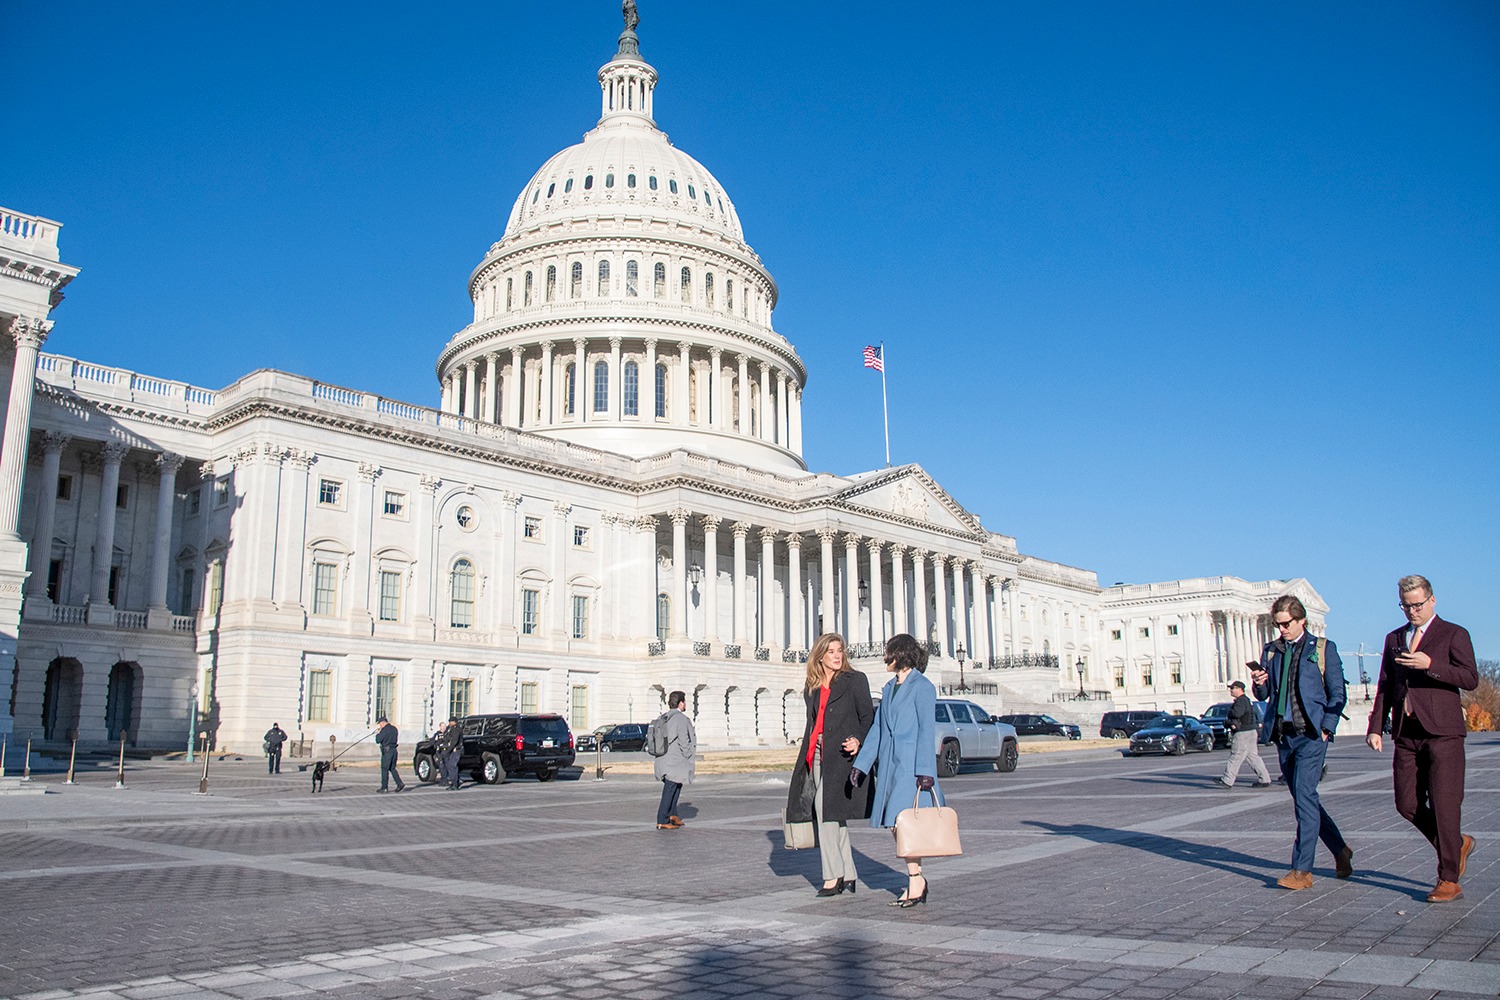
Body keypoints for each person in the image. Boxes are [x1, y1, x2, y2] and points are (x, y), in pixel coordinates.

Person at [1365, 575, 1479, 903]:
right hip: (1406, 732)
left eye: (1417, 604)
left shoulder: (1454, 634)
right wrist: (1375, 727)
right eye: (1406, 605)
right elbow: (1385, 684)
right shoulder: (1395, 638)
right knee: (1407, 804)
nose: (1412, 611)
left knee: (1445, 806)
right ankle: (1456, 844)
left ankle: (1448, 878)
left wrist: (1432, 665)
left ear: (1432, 600)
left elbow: (1470, 678)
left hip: (1444, 733)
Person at [1250, 595, 1353, 890]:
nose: (1281, 629)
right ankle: (1340, 849)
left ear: (1301, 620)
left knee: (1305, 798)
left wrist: (1326, 728)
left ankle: (1302, 870)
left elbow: (1337, 693)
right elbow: (1264, 694)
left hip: (1311, 735)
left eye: (1286, 624)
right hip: (1284, 736)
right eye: (1277, 624)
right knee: (1305, 800)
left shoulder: (1322, 649)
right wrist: (1260, 682)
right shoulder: (1271, 650)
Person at [851, 633, 941, 908]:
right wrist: (861, 765)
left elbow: (927, 730)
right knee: (895, 825)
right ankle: (916, 878)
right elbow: (878, 730)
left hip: (912, 767)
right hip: (890, 766)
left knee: (901, 823)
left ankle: (916, 879)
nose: (884, 659)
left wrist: (926, 770)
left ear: (900, 655)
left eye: (888, 653)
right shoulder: (889, 688)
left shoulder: (922, 687)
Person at [784, 633, 874, 896]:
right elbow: (813, 723)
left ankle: (832, 876)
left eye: (840, 651)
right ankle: (849, 874)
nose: (837, 656)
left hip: (843, 754)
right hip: (818, 754)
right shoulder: (812, 686)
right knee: (833, 815)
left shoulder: (855, 680)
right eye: (831, 651)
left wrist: (859, 739)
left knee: (823, 810)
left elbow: (867, 715)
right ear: (820, 656)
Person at [1216, 676, 1272, 789]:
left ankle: (1227, 780)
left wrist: (1229, 715)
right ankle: (1264, 778)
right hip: (1251, 731)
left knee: (1236, 755)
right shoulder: (1247, 700)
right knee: (1253, 756)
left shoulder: (1241, 701)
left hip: (1243, 732)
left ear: (1239, 689)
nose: (1230, 690)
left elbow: (1237, 713)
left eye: (1233, 688)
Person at [653, 690, 697, 829]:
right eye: (684, 702)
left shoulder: (664, 717)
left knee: (676, 785)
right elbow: (683, 740)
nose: (685, 704)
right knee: (670, 788)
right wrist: (689, 754)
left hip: (663, 759)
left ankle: (673, 814)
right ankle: (662, 819)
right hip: (674, 761)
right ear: (681, 703)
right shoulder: (680, 718)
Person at [375, 717, 405, 793]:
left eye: (380, 724)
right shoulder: (394, 729)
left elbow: (378, 740)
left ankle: (384, 787)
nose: (379, 725)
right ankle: (399, 783)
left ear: (382, 723)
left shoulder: (384, 730)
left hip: (387, 751)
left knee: (384, 769)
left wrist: (378, 733)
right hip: (394, 750)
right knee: (392, 768)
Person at [437, 717, 463, 790]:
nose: (450, 723)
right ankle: (454, 782)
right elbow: (447, 737)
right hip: (452, 750)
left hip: (456, 750)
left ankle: (455, 783)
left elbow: (454, 741)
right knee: (450, 765)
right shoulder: (450, 729)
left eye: (451, 722)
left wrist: (447, 750)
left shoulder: (456, 729)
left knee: (452, 766)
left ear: (454, 722)